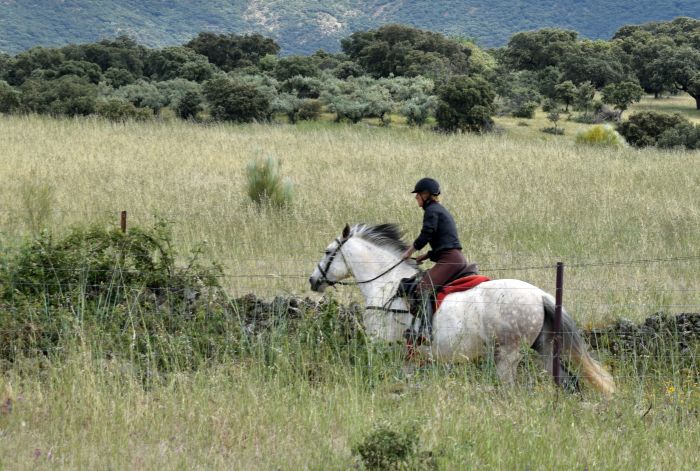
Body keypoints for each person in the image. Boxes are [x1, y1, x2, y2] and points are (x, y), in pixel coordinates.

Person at [401, 177, 478, 341]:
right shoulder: (438, 210)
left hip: (450, 259)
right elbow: (444, 242)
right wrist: (427, 255)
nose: (416, 198)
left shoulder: (432, 211)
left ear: (426, 195)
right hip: (452, 257)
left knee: (422, 288)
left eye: (418, 195)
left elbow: (427, 233)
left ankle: (425, 332)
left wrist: (410, 250)